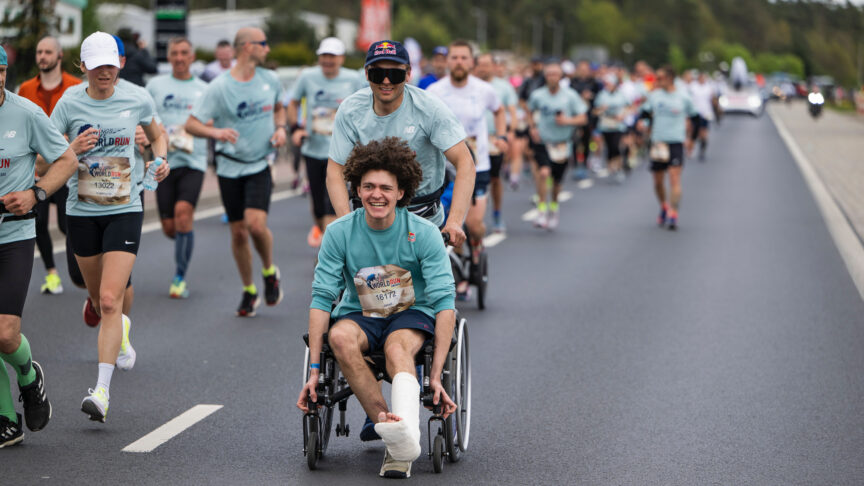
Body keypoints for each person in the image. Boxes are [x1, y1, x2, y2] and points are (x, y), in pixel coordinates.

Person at [297, 137, 457, 478]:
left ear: (401, 192)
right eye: (368, 186)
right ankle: (394, 430)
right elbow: (322, 297)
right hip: (361, 313)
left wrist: (435, 373)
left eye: (386, 187)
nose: (376, 194)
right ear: (357, 189)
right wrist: (313, 371)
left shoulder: (425, 233)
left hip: (412, 312)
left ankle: (399, 447)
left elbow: (445, 302)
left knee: (397, 347)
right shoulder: (339, 232)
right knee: (339, 339)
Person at [50, 32, 169, 422]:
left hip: (125, 207)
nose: (105, 71)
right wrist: (73, 150)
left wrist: (159, 159)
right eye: (97, 65)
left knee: (108, 299)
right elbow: (45, 153)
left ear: (119, 65)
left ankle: (100, 391)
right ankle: (120, 329)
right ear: (82, 67)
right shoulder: (69, 103)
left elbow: (158, 135)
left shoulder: (136, 97)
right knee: (93, 291)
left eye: (111, 64)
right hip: (81, 211)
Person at [0, 44, 77, 447]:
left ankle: (29, 376)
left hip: (13, 234)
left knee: (5, 334)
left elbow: (66, 160)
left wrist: (36, 193)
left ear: (3, 73)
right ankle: (6, 419)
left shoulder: (26, 113)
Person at [326, 39, 474, 248]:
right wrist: (345, 222)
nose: (386, 81)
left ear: (408, 74)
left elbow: (465, 163)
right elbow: (335, 169)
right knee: (360, 278)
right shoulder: (351, 109)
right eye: (378, 74)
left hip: (422, 216)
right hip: (371, 214)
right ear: (367, 74)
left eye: (395, 74)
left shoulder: (430, 108)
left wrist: (455, 222)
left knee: (434, 281)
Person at [185, 27, 286, 317]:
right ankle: (249, 290)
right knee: (239, 233)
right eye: (262, 43)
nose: (267, 48)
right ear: (246, 47)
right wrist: (215, 132)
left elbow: (279, 109)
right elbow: (192, 124)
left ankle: (269, 271)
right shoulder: (219, 87)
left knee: (256, 225)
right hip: (230, 167)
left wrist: (280, 128)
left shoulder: (271, 79)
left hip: (259, 164)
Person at [428, 41, 506, 299]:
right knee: (448, 223)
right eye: (454, 57)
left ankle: (475, 251)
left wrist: (502, 135)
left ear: (471, 63)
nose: (459, 62)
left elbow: (499, 110)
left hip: (477, 165)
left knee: (473, 224)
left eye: (464, 58)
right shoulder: (434, 91)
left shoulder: (484, 90)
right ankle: (457, 273)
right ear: (447, 61)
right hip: (443, 168)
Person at [16, 36, 82, 295]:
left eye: (47, 52)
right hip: (37, 168)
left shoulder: (75, 87)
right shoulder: (26, 89)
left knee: (67, 225)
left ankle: (81, 267)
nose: (42, 56)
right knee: (39, 222)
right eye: (38, 52)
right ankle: (52, 274)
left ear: (59, 56)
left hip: (66, 168)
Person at [146, 37, 208, 298]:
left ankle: (179, 277)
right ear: (168, 57)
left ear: (192, 57)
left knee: (184, 214)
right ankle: (183, 237)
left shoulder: (205, 89)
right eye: (175, 53)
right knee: (170, 227)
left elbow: (213, 119)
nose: (180, 57)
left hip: (194, 161)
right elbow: (144, 118)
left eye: (184, 53)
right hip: (164, 163)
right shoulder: (155, 86)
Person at [288, 37, 365, 247]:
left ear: (341, 58)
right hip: (313, 149)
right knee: (318, 206)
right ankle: (327, 241)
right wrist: (295, 129)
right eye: (324, 56)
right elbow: (292, 103)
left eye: (332, 56)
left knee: (332, 203)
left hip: (343, 152)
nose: (327, 60)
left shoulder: (353, 79)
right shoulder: (307, 77)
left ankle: (329, 250)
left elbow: (365, 106)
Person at [526, 61, 587, 230]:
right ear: (545, 76)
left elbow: (583, 118)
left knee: (557, 183)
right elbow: (529, 111)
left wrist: (567, 121)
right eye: (549, 74)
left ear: (561, 76)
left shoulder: (570, 96)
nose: (552, 77)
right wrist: (532, 128)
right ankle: (541, 210)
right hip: (543, 142)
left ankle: (553, 207)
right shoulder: (538, 95)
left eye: (555, 74)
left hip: (562, 144)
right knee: (544, 173)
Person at [638, 65, 696, 231]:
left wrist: (691, 139)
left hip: (676, 142)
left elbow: (695, 117)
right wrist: (643, 123)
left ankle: (673, 213)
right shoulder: (655, 96)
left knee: (674, 177)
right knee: (657, 181)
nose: (657, 81)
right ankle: (664, 205)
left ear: (670, 78)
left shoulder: (683, 97)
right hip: (658, 143)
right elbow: (645, 114)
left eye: (660, 77)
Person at [474, 53, 518, 233]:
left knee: (494, 178)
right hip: (473, 140)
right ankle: (473, 216)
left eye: (487, 64)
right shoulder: (471, 86)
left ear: (493, 66)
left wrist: (508, 134)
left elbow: (511, 112)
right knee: (470, 178)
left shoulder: (504, 87)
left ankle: (497, 213)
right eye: (480, 65)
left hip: (494, 139)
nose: (484, 68)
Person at [594, 73, 631, 183]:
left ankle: (619, 168)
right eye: (607, 84)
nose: (608, 86)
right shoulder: (602, 95)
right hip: (605, 124)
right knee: (609, 148)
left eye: (610, 84)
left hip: (618, 125)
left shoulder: (621, 95)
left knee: (616, 146)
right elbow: (595, 111)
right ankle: (611, 165)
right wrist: (601, 108)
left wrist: (623, 115)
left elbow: (629, 107)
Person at [688, 71, 715, 161]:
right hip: (695, 113)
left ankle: (702, 151)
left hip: (706, 113)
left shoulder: (709, 87)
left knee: (704, 133)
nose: (702, 80)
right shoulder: (693, 87)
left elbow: (712, 100)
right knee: (693, 132)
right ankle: (690, 149)